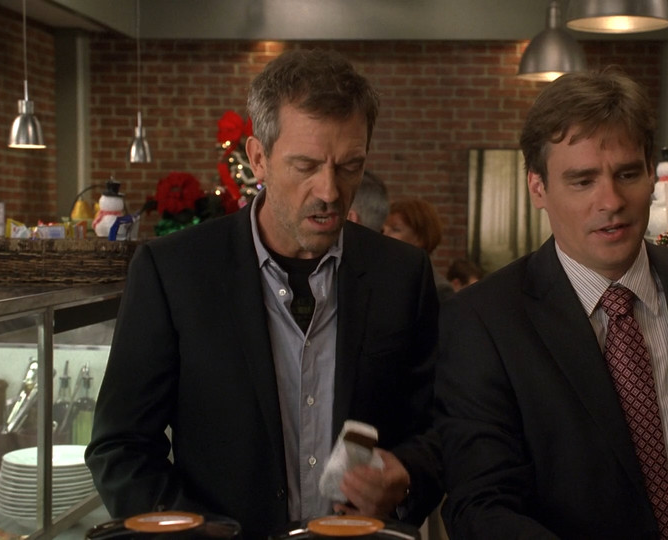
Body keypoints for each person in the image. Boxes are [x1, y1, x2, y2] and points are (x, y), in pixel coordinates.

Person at [85, 49, 443, 538]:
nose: (330, 191)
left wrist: (406, 479)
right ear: (258, 159)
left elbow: (439, 427)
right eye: (305, 165)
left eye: (349, 166)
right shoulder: (173, 272)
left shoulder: (402, 274)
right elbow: (120, 447)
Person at [434, 68, 668, 539]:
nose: (611, 201)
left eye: (627, 174)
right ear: (538, 188)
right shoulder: (483, 320)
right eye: (582, 181)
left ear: (651, 175)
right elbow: (480, 503)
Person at [383, 198, 454, 302]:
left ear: (420, 238)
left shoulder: (438, 289)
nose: (384, 235)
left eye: (395, 229)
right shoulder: (382, 278)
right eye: (383, 230)